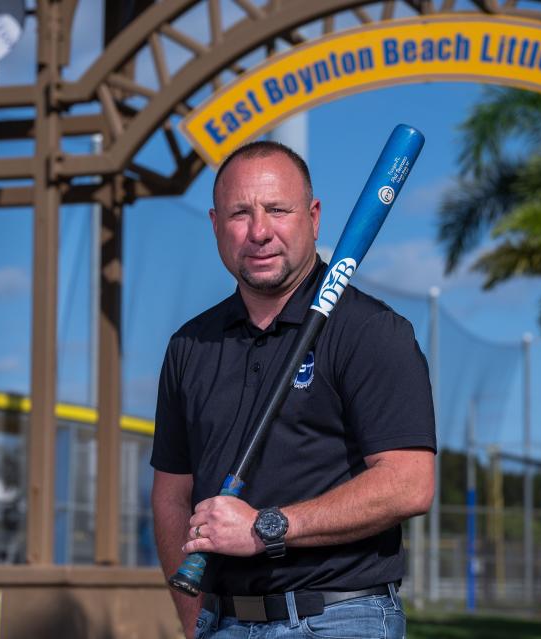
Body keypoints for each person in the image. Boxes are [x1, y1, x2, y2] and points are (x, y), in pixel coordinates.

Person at [150, 140, 437, 639]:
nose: (259, 232)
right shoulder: (190, 346)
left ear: (313, 217)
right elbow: (172, 498)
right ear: (216, 225)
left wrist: (266, 528)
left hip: (339, 618)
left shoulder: (369, 331)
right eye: (240, 214)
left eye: (277, 210)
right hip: (223, 621)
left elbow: (409, 483)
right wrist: (195, 621)